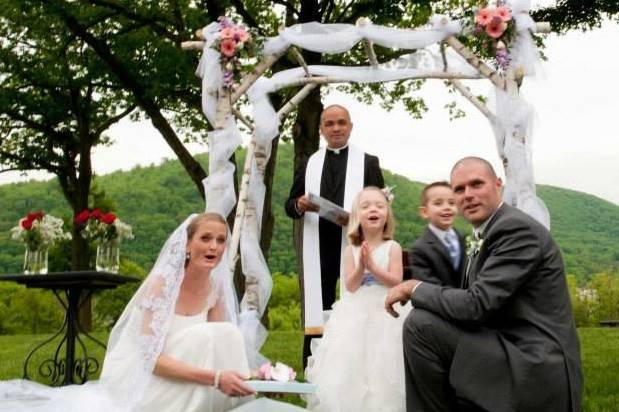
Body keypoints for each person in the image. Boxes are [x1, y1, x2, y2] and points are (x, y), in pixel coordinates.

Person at [0, 213, 303, 412]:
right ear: (187, 244)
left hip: (200, 375)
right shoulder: (161, 286)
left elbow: (221, 348)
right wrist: (215, 378)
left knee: (226, 331)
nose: (214, 246)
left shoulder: (216, 289)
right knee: (214, 333)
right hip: (152, 378)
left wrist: (259, 378)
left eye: (221, 240)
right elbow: (150, 359)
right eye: (205, 238)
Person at [385, 157, 583, 412]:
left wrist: (413, 287)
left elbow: (476, 305)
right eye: (459, 189)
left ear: (498, 185)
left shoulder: (514, 229)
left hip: (535, 363)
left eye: (476, 184)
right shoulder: (487, 231)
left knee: (421, 326)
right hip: (507, 346)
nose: (468, 195)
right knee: (425, 320)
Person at [284, 104, 385, 368]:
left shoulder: (368, 162)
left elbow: (381, 203)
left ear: (350, 126)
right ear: (321, 129)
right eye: (329, 123)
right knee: (320, 305)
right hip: (318, 245)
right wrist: (299, 204)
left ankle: (358, 363)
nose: (336, 128)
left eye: (341, 122)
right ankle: (316, 366)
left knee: (357, 305)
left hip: (356, 245)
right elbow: (289, 205)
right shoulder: (309, 163)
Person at [305, 187, 409, 412]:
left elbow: (396, 281)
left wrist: (373, 267)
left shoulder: (393, 247)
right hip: (356, 310)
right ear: (357, 216)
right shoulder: (350, 250)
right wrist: (362, 266)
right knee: (352, 359)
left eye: (380, 206)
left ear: (387, 215)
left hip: (386, 307)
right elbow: (351, 286)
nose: (374, 210)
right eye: (366, 206)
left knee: (383, 361)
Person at [409, 181, 465, 287]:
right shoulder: (420, 248)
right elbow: (427, 286)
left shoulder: (463, 237)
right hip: (439, 301)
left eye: (452, 203)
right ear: (424, 212)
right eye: (438, 203)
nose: (447, 207)